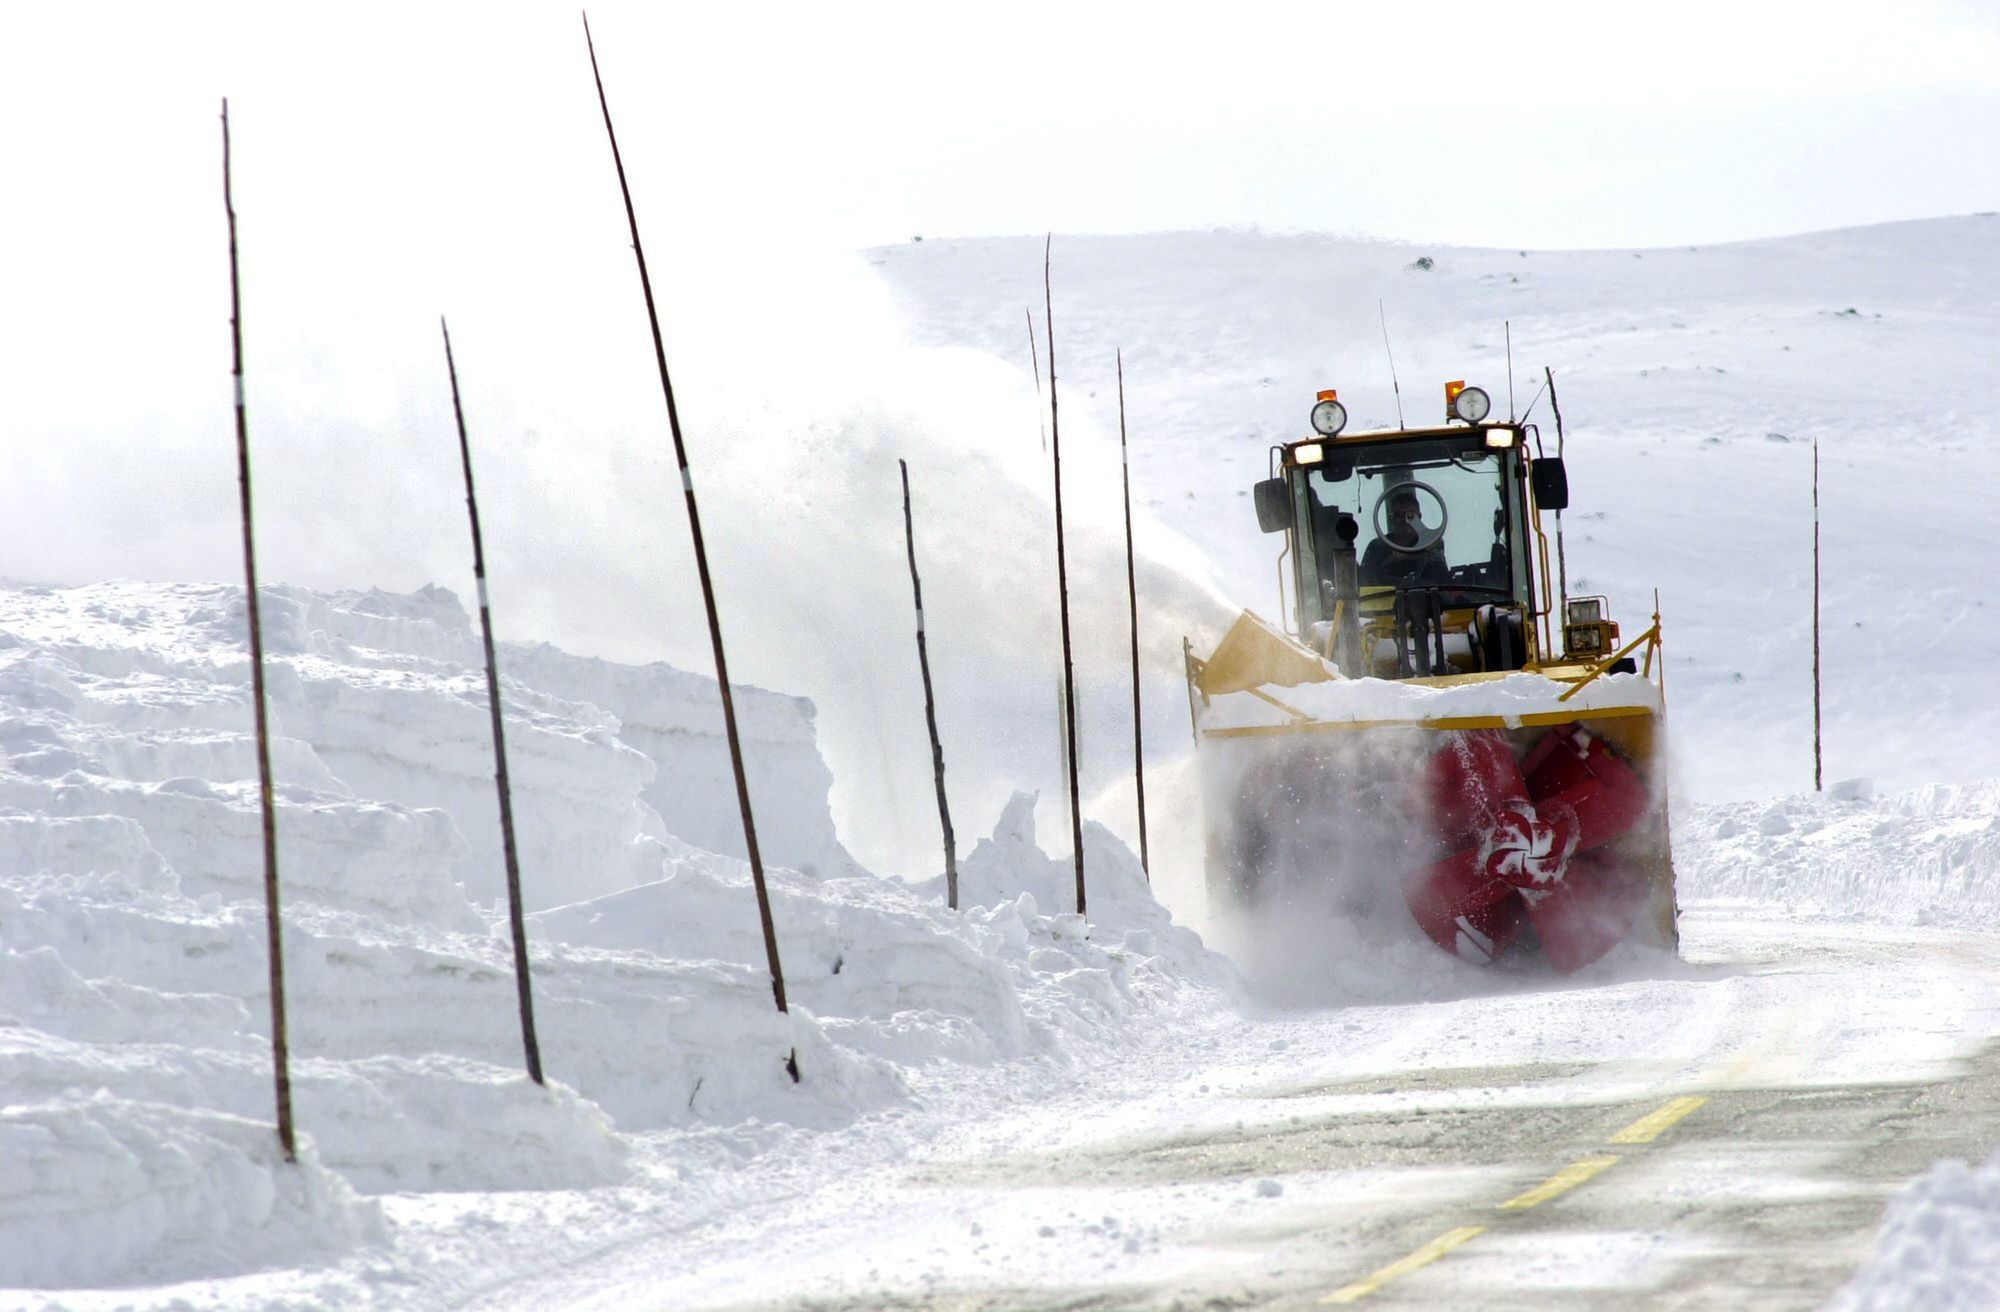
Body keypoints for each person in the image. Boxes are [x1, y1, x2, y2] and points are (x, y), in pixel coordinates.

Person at [1361, 487, 1448, 587]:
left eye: (1410, 515)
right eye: (1398, 515)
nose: (1404, 520)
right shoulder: (1377, 547)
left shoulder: (1432, 543)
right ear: (1390, 519)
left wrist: (1409, 555)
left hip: (1429, 598)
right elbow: (1365, 580)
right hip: (1387, 599)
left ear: (1419, 517)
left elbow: (1439, 568)